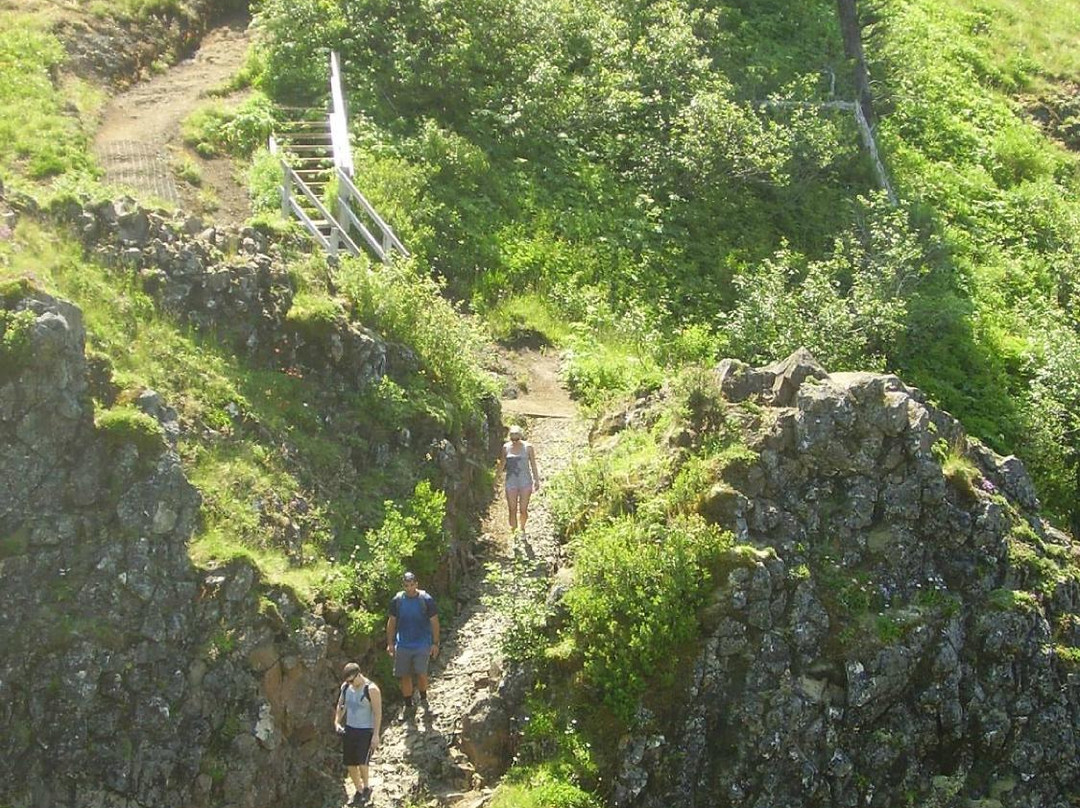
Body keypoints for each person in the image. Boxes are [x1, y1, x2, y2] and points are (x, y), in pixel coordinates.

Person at [386, 571, 440, 719]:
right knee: (405, 675)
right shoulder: (397, 600)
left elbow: (434, 621)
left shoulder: (426, 600)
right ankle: (408, 705)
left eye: (412, 585)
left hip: (422, 643)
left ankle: (424, 700)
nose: (409, 588)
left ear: (416, 584)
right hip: (403, 643)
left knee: (422, 674)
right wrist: (390, 643)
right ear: (403, 586)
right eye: (406, 585)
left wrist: (435, 643)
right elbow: (392, 622)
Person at [333, 662, 382, 806]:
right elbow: (341, 705)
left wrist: (376, 734)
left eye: (352, 680)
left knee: (362, 761)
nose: (350, 683)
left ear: (358, 675)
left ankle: (366, 786)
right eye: (348, 681)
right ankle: (358, 789)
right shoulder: (346, 687)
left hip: (365, 729)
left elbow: (377, 712)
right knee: (350, 763)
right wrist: (337, 722)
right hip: (350, 729)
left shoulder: (371, 689)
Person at [498, 424, 540, 534]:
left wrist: (536, 480)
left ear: (520, 436)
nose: (514, 439)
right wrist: (496, 479)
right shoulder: (506, 447)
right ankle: (514, 531)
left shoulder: (528, 447)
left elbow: (533, 464)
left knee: (523, 509)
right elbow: (502, 464)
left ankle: (522, 528)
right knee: (512, 509)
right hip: (511, 483)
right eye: (512, 436)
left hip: (525, 482)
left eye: (516, 436)